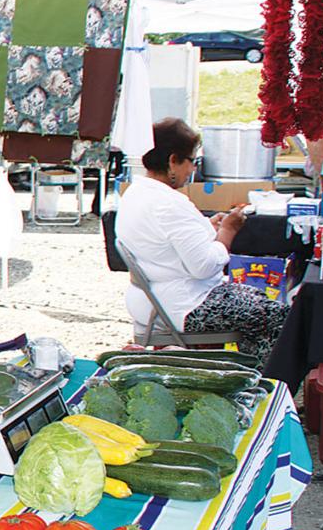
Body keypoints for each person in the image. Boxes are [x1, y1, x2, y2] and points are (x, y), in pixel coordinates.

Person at [116, 118, 287, 365]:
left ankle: (243, 371)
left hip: (157, 298)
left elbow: (166, 243)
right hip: (183, 305)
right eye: (191, 161)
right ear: (173, 161)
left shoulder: (136, 193)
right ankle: (258, 379)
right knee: (277, 316)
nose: (192, 170)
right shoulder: (168, 203)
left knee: (261, 300)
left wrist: (208, 228)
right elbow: (203, 267)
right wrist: (227, 232)